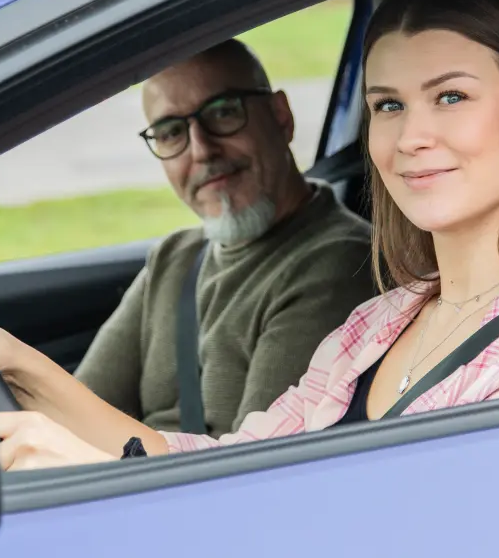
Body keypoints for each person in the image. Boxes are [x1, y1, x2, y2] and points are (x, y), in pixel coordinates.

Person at [0, 0, 499, 471]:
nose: (411, 136)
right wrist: (15, 364)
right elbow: (242, 467)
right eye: (389, 105)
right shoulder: (383, 323)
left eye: (450, 97)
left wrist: (97, 482)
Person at [72, 39, 375, 436]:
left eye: (223, 112)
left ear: (281, 117)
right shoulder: (174, 256)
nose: (201, 150)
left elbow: (253, 467)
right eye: (170, 132)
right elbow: (75, 409)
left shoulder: (338, 263)